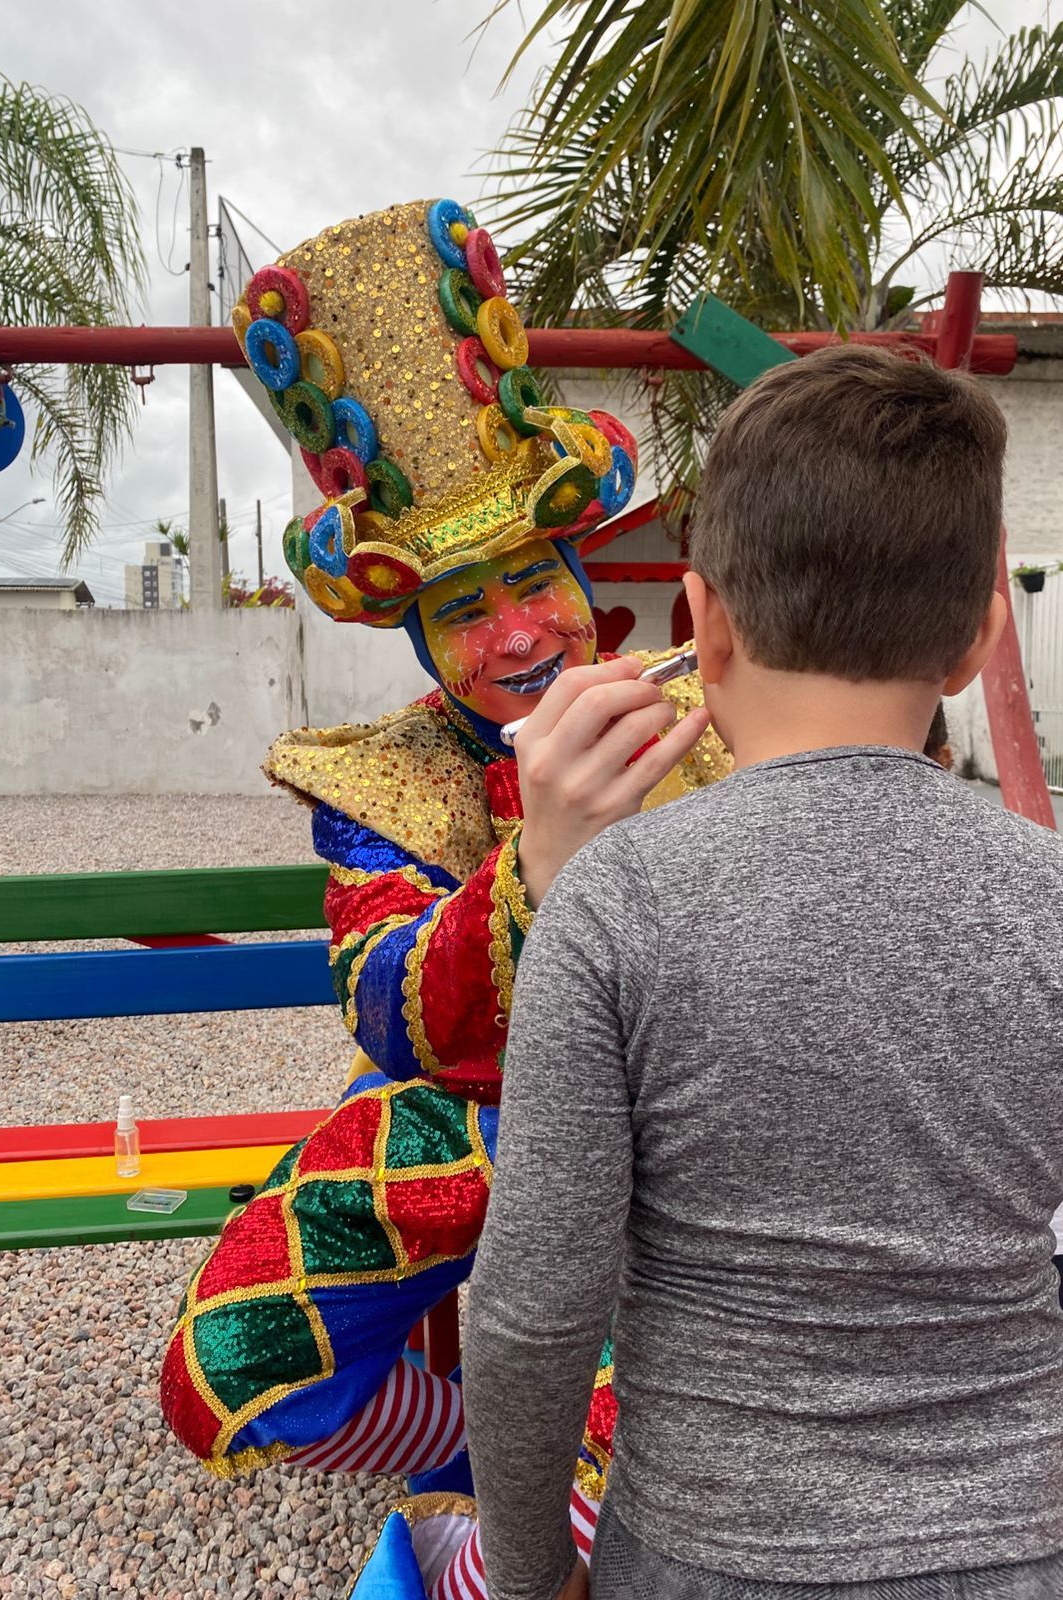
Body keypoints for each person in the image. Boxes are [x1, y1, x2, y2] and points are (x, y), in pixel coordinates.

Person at [159, 200, 730, 1569]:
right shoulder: (375, 782)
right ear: (416, 631)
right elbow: (392, 1013)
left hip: (671, 1142)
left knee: (639, 1436)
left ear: (582, 575)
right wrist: (537, 853)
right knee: (223, 1377)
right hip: (449, 1130)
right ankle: (478, 1447)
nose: (519, 631)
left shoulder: (704, 716)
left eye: (533, 580)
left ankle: (500, 1545)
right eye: (465, 607)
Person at [464, 344, 1063, 1600]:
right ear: (977, 639)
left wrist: (529, 1578)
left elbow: (531, 1317)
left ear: (706, 622)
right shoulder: (1048, 903)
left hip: (707, 1553)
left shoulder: (613, 908)